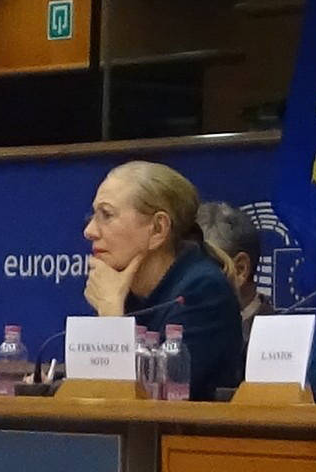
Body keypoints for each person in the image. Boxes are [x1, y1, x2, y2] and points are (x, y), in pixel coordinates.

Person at [83, 161, 244, 400]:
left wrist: (111, 315)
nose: (89, 231)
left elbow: (155, 401)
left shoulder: (204, 291)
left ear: (158, 229)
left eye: (106, 215)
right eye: (93, 215)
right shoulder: (124, 291)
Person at [197, 202, 273, 337]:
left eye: (198, 269)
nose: (185, 281)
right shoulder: (172, 331)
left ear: (240, 270)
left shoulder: (279, 338)